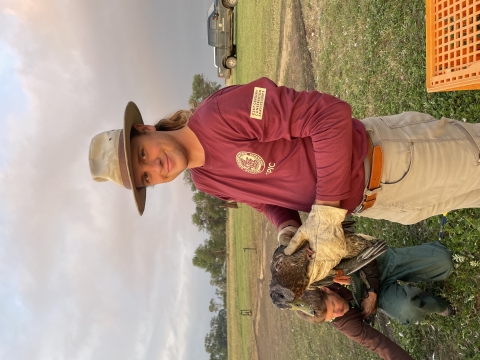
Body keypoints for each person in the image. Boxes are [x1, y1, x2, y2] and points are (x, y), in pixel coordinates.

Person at [88, 77, 480, 283]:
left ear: (144, 129)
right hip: (385, 202)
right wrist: (287, 228)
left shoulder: (221, 113)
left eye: (143, 154)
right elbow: (264, 197)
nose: (156, 167)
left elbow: (329, 116)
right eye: (146, 178)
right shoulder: (205, 179)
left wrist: (325, 214)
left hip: (391, 159)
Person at [295, 241, 454, 360]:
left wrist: (371, 292)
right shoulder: (343, 321)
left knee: (445, 260)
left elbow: (363, 250)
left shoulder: (322, 268)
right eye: (332, 317)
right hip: (381, 294)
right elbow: (380, 345)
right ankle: (434, 304)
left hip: (379, 265)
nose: (338, 313)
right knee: (409, 310)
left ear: (326, 289)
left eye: (333, 306)